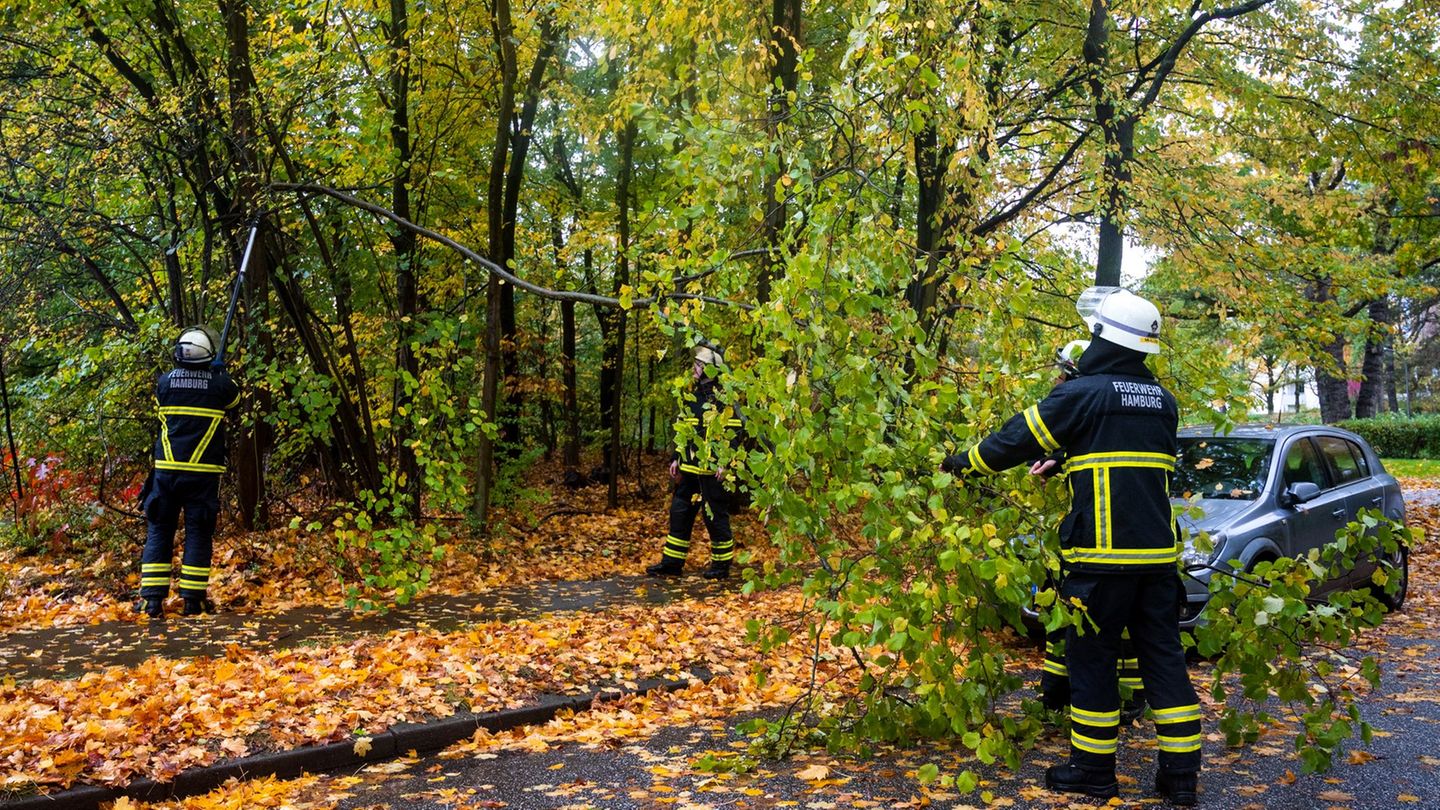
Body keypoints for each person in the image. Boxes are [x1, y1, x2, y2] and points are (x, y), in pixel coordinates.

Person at [942, 289, 1201, 806]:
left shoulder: (1084, 395)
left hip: (1101, 562)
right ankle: (1181, 779)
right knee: (1164, 661)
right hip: (1156, 561)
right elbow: (1123, 455)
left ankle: (1092, 771)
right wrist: (1066, 457)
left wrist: (961, 463)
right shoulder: (1162, 403)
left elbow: (1016, 439)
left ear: (1103, 338)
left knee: (1093, 661)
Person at [1033, 340, 1147, 723]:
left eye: (1065, 371)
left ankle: (1107, 702)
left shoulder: (1090, 398)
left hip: (1102, 546)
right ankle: (1059, 694)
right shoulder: (1135, 402)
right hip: (1133, 540)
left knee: (1090, 632)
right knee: (1076, 621)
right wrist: (1058, 459)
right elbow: (1090, 441)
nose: (1059, 378)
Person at [137, 326, 241, 618]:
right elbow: (234, 400)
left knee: (159, 530)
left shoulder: (165, 382)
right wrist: (219, 375)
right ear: (209, 353)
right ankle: (193, 601)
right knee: (198, 533)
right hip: (203, 475)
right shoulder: (221, 386)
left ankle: (152, 601)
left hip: (166, 473)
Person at [645, 345, 740, 580]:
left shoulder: (725, 400)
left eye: (699, 365)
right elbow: (683, 431)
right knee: (680, 514)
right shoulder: (691, 397)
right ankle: (671, 564)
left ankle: (721, 567)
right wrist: (676, 458)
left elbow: (735, 434)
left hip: (712, 473)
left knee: (715, 517)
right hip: (688, 471)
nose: (694, 369)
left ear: (710, 369)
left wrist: (724, 463)